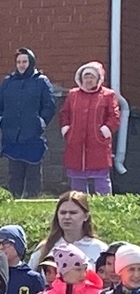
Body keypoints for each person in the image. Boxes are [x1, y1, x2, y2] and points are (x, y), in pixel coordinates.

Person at [0, 47, 57, 198]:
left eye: (24, 61)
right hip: (12, 136)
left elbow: (49, 105)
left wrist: (41, 121)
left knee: (33, 174)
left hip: (33, 136)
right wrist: (0, 120)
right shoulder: (8, 82)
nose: (21, 65)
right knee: (14, 173)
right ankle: (14, 200)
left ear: (31, 62)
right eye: (18, 62)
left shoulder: (41, 82)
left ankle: (33, 201)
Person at [60, 61, 122, 196]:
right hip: (76, 143)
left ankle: (104, 204)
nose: (88, 80)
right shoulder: (73, 95)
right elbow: (65, 113)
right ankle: (79, 204)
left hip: (98, 144)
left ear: (99, 78)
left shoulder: (108, 95)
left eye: (92, 77)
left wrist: (105, 130)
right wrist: (66, 129)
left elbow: (114, 116)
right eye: (86, 76)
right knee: (77, 182)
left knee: (101, 181)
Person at [28, 191, 109, 267]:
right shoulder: (45, 248)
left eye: (73, 213)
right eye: (63, 213)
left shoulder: (100, 249)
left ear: (86, 216)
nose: (67, 217)